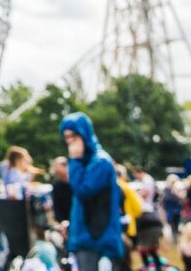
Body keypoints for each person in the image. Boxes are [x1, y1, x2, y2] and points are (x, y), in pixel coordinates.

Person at [60, 112, 125, 271]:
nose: (70, 142)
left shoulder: (100, 162)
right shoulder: (86, 162)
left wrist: (74, 160)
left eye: (74, 136)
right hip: (86, 239)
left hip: (97, 241)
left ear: (84, 134)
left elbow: (84, 190)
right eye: (67, 137)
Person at [51, 157, 73, 230]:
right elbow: (56, 206)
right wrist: (62, 221)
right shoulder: (56, 185)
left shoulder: (75, 183)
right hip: (65, 221)